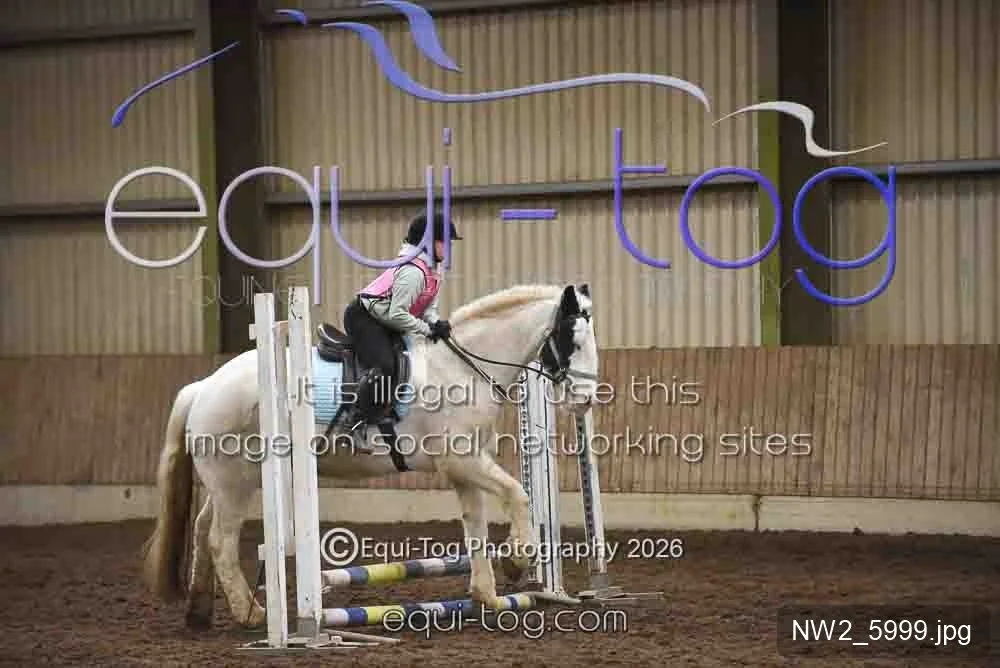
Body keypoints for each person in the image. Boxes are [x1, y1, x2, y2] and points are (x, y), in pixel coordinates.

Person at [342, 211, 461, 448]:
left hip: (386, 320)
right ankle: (353, 422)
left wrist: (436, 323)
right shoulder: (413, 272)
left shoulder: (434, 272)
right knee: (386, 365)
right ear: (428, 243)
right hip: (364, 318)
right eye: (444, 242)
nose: (448, 248)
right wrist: (426, 330)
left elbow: (428, 309)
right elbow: (397, 314)